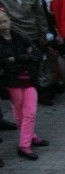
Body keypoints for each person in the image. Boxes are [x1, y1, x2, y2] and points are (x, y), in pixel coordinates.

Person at [0, 8, 48, 160]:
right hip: (12, 81)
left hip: (28, 79)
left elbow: (36, 55)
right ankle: (29, 137)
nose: (3, 25)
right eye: (0, 23)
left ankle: (24, 144)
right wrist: (24, 58)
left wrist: (16, 59)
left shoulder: (20, 36)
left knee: (30, 112)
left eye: (5, 21)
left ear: (10, 20)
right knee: (20, 113)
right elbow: (6, 64)